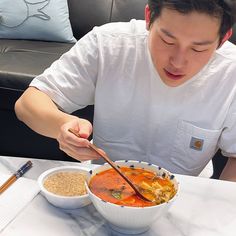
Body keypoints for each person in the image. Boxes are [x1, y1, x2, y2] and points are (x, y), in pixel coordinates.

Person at [15, 0, 236, 181]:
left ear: (222, 39)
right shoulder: (109, 44)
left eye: (198, 48)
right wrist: (62, 125)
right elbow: (28, 103)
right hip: (102, 187)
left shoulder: (231, 72)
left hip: (186, 194)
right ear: (149, 18)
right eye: (167, 40)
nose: (178, 62)